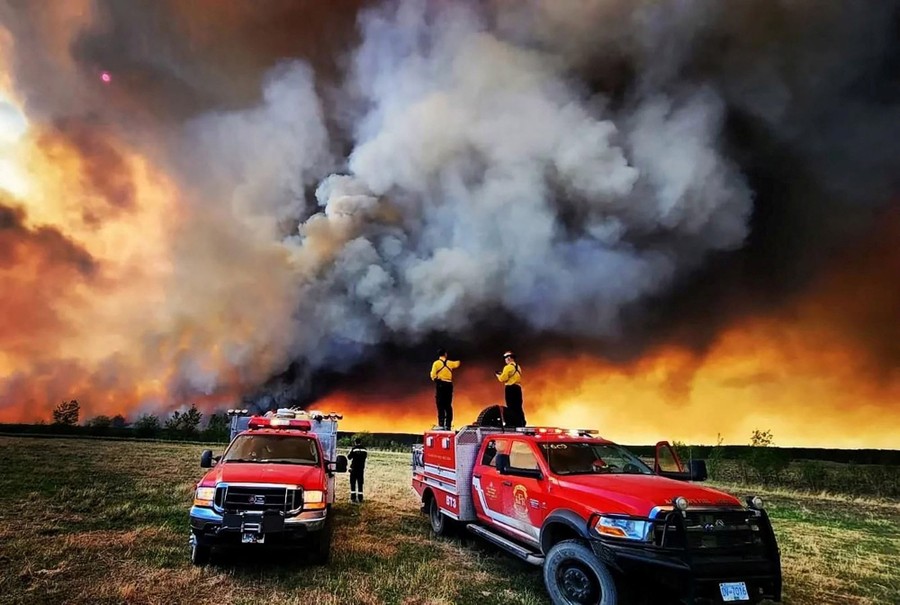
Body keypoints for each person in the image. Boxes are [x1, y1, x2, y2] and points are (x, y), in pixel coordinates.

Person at [430, 348, 460, 430]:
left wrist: (437, 380)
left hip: (440, 385)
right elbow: (457, 364)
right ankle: (448, 425)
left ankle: (441, 425)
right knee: (448, 405)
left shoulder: (436, 363)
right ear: (445, 354)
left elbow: (433, 375)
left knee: (440, 405)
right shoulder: (450, 363)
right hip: (449, 385)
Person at [496, 350, 526, 428]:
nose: (505, 360)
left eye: (505, 358)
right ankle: (521, 423)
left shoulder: (508, 367)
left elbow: (503, 379)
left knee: (511, 407)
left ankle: (513, 424)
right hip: (518, 388)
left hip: (511, 389)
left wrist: (498, 376)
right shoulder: (518, 367)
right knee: (518, 407)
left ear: (508, 358)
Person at [347, 438, 368, 503]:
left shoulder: (354, 449)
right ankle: (360, 498)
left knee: (353, 483)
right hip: (361, 469)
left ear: (355, 442)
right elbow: (365, 457)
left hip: (354, 468)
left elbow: (349, 457)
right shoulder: (365, 450)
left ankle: (353, 498)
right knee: (360, 483)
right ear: (360, 442)